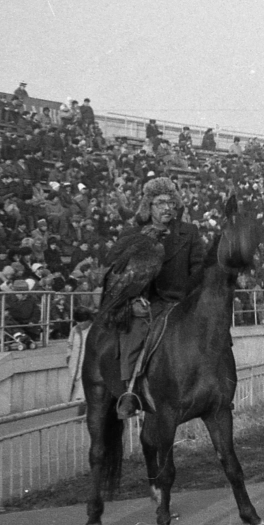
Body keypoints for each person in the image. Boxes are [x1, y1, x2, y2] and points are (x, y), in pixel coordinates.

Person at [115, 178, 207, 419]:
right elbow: (124, 274)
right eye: (160, 203)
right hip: (150, 303)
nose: (167, 207)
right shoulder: (135, 233)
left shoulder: (190, 232)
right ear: (149, 206)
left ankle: (219, 389)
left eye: (170, 202)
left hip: (185, 301)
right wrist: (133, 301)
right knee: (135, 335)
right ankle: (130, 391)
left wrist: (194, 296)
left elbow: (199, 267)